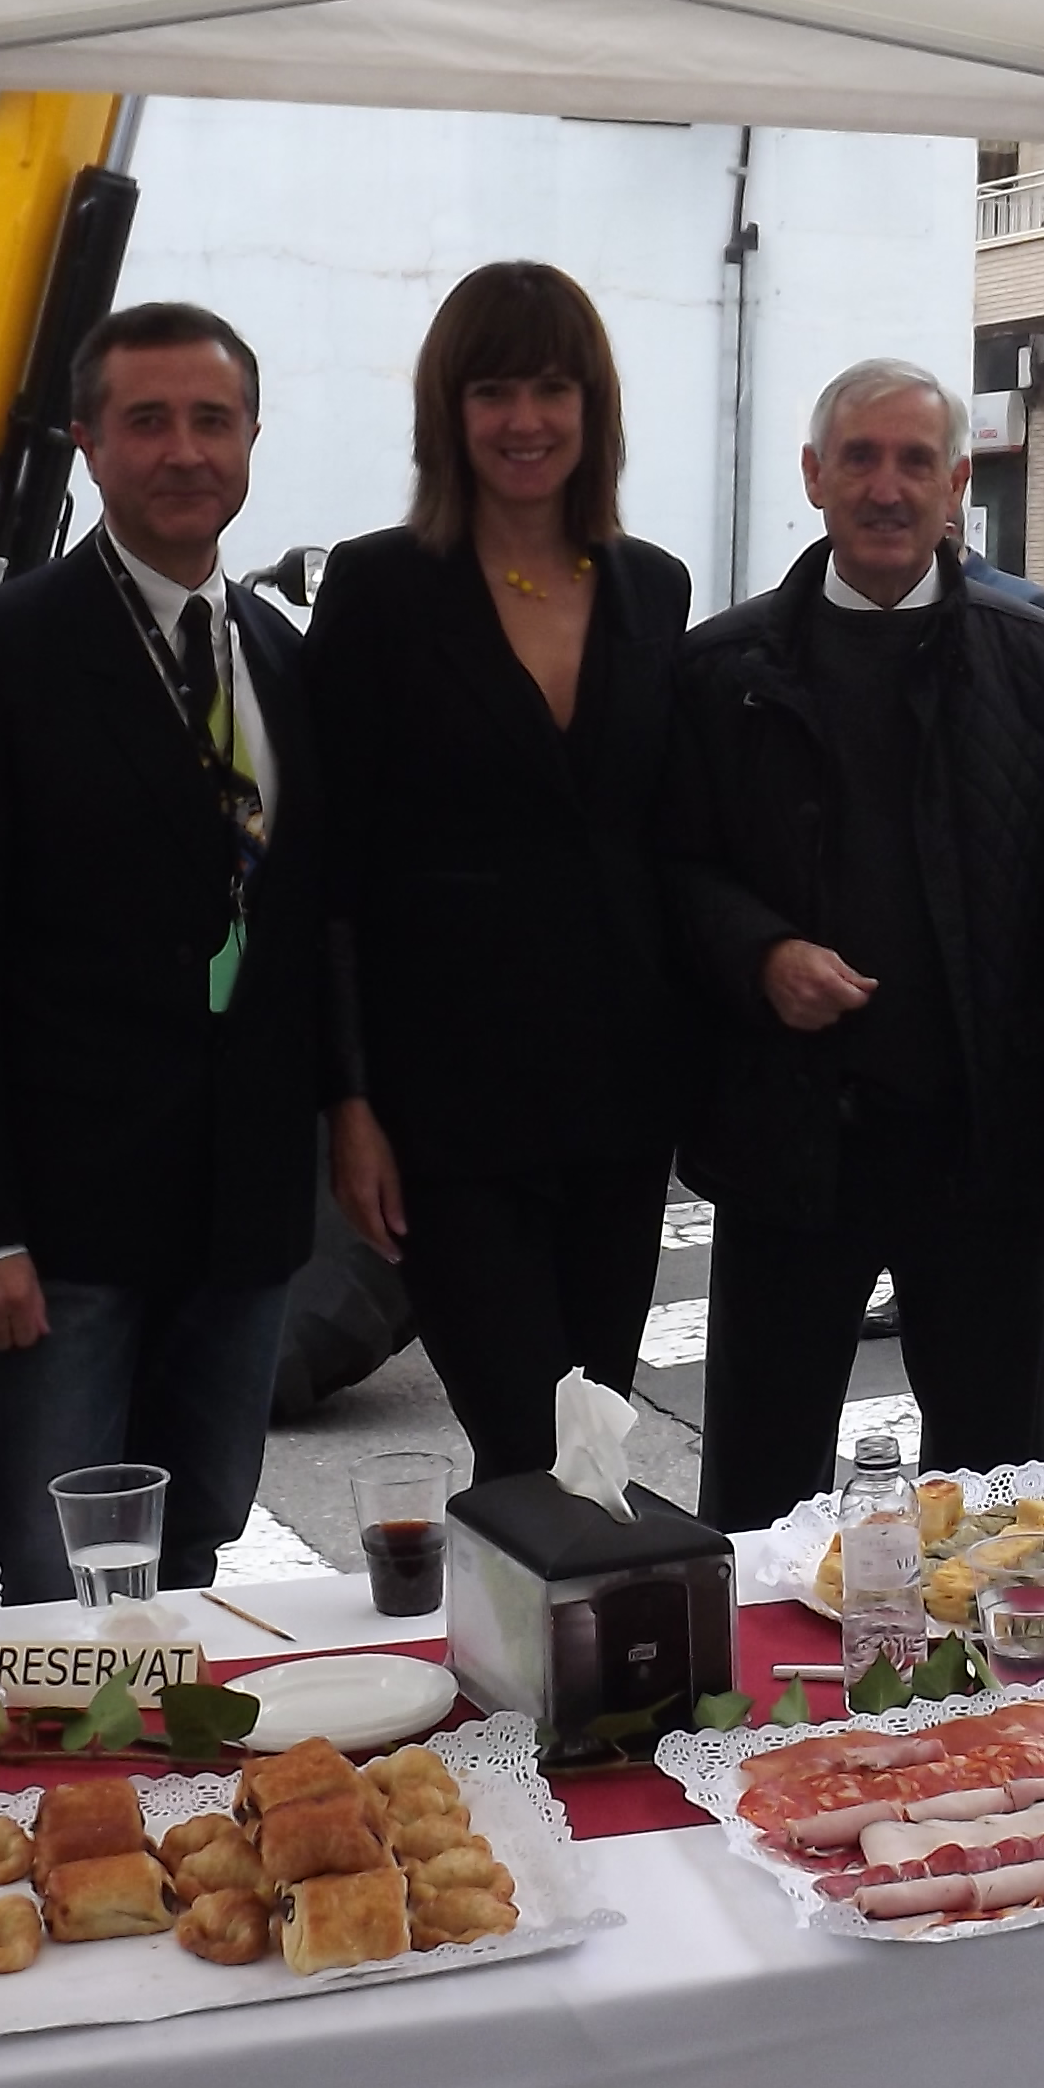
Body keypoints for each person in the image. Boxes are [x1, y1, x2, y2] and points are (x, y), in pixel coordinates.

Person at [0, 303, 323, 1604]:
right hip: (60, 1225)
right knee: (48, 1580)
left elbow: (302, 924)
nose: (184, 450)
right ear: (87, 442)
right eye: (148, 421)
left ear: (252, 438)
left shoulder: (282, 659)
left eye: (212, 420)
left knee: (194, 1562)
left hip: (239, 1213)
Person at [661, 360, 1044, 1527]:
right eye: (859, 457)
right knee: (759, 1486)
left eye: (916, 462)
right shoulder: (719, 672)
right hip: (789, 1140)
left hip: (981, 1145)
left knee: (998, 1499)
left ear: (958, 485)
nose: (887, 486)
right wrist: (761, 954)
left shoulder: (1041, 666)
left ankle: (983, 1660)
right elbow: (671, 868)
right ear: (814, 476)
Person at [311, 262, 690, 1483]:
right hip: (446, 1109)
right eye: (492, 391)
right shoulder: (379, 589)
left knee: (594, 1438)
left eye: (551, 388)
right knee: (525, 1440)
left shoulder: (652, 586)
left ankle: (554, 1616)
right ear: (449, 411)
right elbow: (328, 868)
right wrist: (348, 1105)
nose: (524, 420)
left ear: (592, 407)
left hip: (621, 1097)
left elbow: (664, 836)